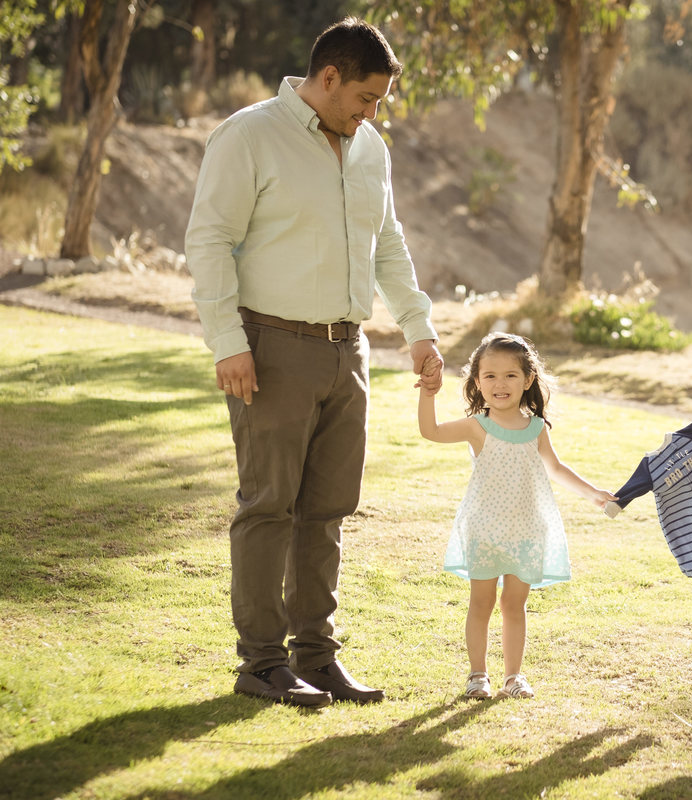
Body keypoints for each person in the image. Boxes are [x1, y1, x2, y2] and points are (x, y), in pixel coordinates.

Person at [185, 17, 444, 708]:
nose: (371, 113)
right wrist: (228, 342)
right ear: (329, 77)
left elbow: (388, 243)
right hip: (271, 346)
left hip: (347, 350)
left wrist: (417, 330)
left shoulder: (369, 148)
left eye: (378, 102)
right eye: (365, 98)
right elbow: (209, 239)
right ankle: (262, 663)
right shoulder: (248, 135)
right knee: (269, 505)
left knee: (326, 509)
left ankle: (316, 656)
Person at [418, 332, 616, 699]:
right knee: (481, 603)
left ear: (528, 380)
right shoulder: (477, 426)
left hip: (527, 530)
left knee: (514, 604)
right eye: (490, 376)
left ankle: (513, 678)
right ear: (478, 382)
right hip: (485, 530)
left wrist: (593, 494)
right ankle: (478, 676)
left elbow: (555, 468)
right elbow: (430, 431)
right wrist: (428, 393)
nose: (500, 384)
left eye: (510, 375)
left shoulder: (536, 428)